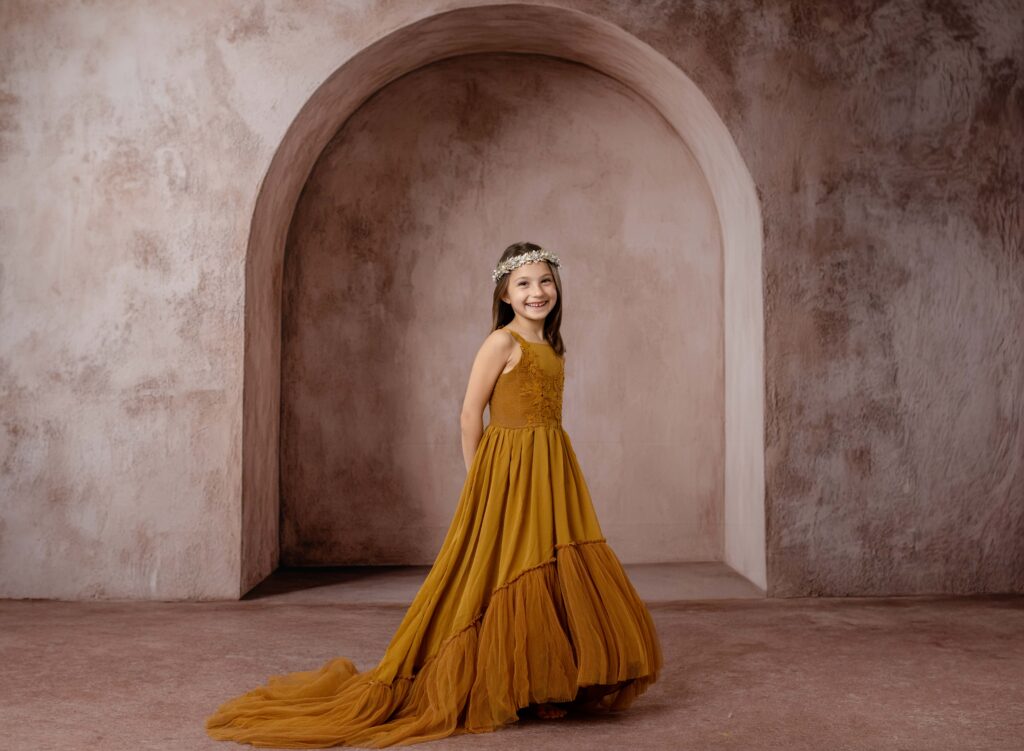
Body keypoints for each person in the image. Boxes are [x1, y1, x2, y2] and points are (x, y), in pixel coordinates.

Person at [205, 241, 662, 748]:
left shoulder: (552, 346)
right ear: (505, 294)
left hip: (552, 466)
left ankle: (545, 679)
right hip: (508, 468)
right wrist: (479, 479)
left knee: (548, 557)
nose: (537, 292)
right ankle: (517, 681)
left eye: (545, 281)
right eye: (523, 284)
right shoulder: (501, 342)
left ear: (557, 287)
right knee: (511, 561)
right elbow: (470, 414)